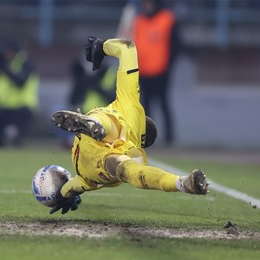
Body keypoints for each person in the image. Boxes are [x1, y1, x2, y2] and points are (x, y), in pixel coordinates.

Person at [49, 37, 209, 214]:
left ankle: (97, 125)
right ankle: (182, 183)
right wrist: (64, 194)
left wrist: (102, 46)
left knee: (111, 124)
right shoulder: (134, 149)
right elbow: (77, 184)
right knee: (128, 171)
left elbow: (127, 47)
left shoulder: (131, 105)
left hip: (98, 130)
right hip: (97, 164)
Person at [132, 0, 179, 143]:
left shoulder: (167, 19)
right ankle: (145, 138)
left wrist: (168, 65)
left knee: (163, 103)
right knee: (145, 107)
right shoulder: (139, 20)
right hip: (143, 71)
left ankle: (169, 139)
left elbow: (176, 45)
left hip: (161, 71)